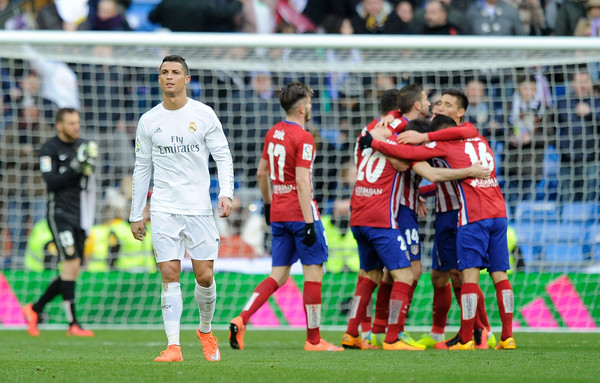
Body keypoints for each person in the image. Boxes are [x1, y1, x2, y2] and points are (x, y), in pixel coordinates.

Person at [360, 91, 516, 350]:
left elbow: (425, 169)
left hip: (464, 214)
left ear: (460, 113)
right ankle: (476, 334)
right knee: (445, 277)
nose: (440, 107)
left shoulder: (443, 139)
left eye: (448, 105)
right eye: (438, 102)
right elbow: (438, 177)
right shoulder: (475, 138)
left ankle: (477, 333)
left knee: (463, 276)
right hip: (486, 212)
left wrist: (374, 140)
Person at [129, 55, 234, 362]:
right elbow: (141, 168)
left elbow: (223, 156)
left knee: (204, 276)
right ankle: (173, 346)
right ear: (159, 79)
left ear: (187, 80)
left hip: (199, 208)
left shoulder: (203, 114)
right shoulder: (149, 120)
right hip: (163, 208)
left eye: (175, 72)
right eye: (164, 72)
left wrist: (226, 193)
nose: (169, 76)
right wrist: (137, 214)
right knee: (170, 273)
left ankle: (204, 331)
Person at [228, 81, 344, 352]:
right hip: (300, 212)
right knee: (314, 273)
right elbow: (303, 182)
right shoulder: (303, 138)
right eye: (311, 103)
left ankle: (242, 318)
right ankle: (314, 340)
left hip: (278, 212)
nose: (311, 107)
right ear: (303, 108)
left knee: (278, 275)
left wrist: (268, 206)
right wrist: (308, 223)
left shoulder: (273, 133)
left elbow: (261, 173)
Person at [22, 107, 98, 337]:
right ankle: (72, 323)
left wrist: (88, 164)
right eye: (71, 123)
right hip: (60, 214)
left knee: (72, 269)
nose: (77, 127)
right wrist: (76, 165)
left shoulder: (82, 145)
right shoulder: (49, 149)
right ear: (60, 125)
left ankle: (35, 309)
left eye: (78, 122)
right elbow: (52, 182)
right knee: (70, 263)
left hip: (81, 214)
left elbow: (87, 176)